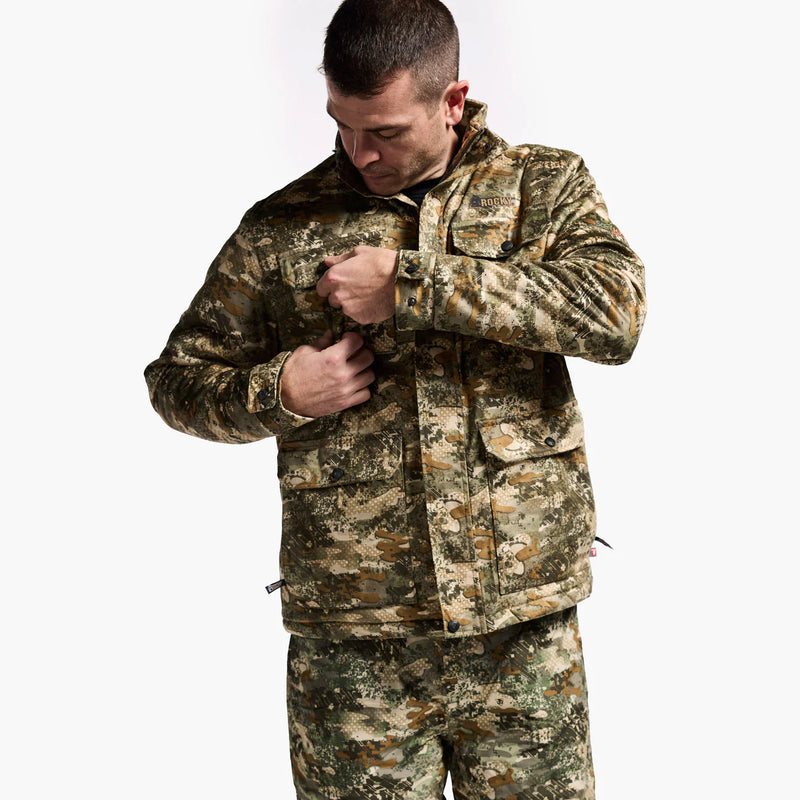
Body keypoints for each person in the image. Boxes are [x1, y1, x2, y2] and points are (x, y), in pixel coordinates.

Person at [145, 0, 646, 797]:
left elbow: (612, 316)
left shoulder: (542, 187)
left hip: (522, 636)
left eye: (385, 132)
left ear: (452, 101)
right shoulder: (281, 227)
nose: (360, 152)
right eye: (343, 125)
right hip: (354, 652)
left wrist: (413, 284)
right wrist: (280, 392)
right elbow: (175, 381)